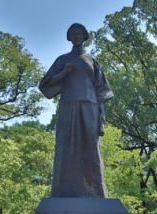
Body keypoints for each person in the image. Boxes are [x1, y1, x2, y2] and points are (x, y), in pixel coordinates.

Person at [39, 23, 114, 198]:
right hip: (68, 106)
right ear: (70, 38)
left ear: (83, 36)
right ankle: (64, 191)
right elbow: (46, 84)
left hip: (90, 107)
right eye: (73, 34)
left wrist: (101, 120)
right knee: (67, 146)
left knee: (91, 147)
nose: (76, 36)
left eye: (78, 33)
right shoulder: (62, 60)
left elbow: (101, 92)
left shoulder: (93, 62)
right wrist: (63, 73)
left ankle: (95, 192)